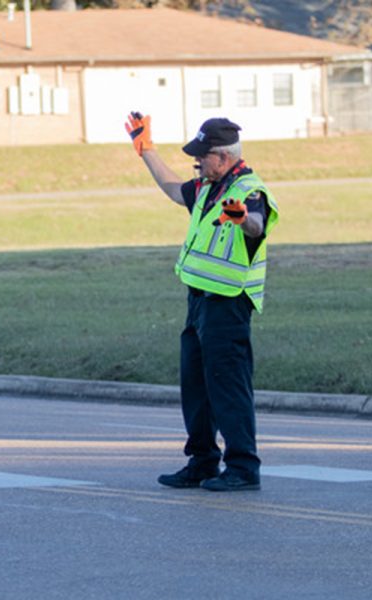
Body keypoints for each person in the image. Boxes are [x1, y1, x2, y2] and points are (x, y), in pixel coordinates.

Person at [125, 113, 279, 492]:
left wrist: (241, 218)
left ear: (223, 157)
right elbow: (174, 189)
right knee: (196, 385)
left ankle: (243, 467)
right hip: (199, 302)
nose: (196, 162)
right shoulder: (209, 188)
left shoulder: (248, 191)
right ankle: (203, 461)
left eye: (202, 156)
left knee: (228, 385)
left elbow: (256, 224)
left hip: (228, 304)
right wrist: (146, 151)